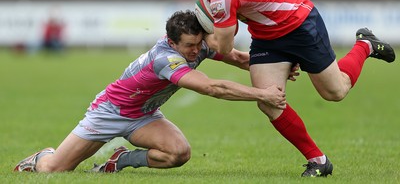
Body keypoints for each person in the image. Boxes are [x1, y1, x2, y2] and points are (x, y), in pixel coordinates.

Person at [146, 0, 396, 177]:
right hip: (267, 34)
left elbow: (224, 47)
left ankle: (365, 44)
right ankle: (318, 160)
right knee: (268, 99)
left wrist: (207, 35)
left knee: (335, 91)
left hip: (299, 24)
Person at [14, 10, 300, 174]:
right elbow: (213, 87)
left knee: (178, 153)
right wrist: (262, 94)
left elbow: (238, 58)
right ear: (172, 42)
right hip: (109, 112)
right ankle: (41, 156)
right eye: (189, 46)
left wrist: (282, 67)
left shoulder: (198, 44)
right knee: (55, 170)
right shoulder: (166, 59)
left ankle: (120, 160)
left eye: (198, 43)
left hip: (144, 114)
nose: (196, 51)